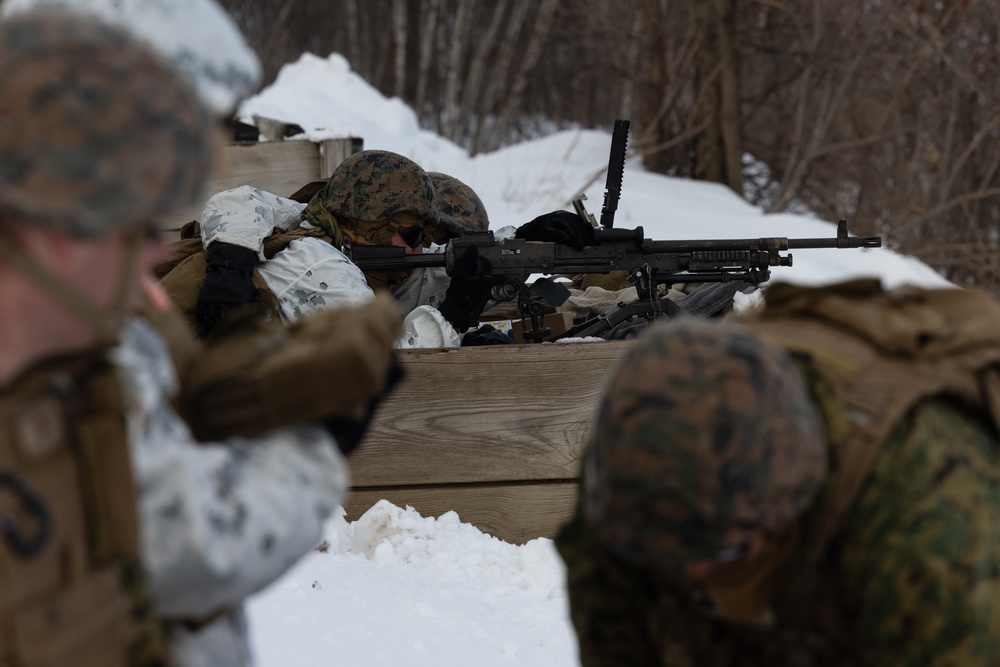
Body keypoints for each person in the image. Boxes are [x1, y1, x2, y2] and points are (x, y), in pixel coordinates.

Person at [0, 10, 401, 667]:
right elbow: (198, 547)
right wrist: (316, 441)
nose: (153, 238)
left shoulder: (84, 334)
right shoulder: (54, 361)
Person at [555, 278, 1000, 666]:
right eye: (664, 554)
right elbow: (614, 643)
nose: (694, 571)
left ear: (792, 500)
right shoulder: (634, 478)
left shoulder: (926, 515)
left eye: (725, 553)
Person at [160, 150, 495, 348]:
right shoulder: (325, 269)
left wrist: (511, 241)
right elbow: (387, 357)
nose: (420, 250)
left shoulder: (316, 228)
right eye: (413, 235)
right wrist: (452, 319)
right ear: (372, 224)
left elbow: (242, 200)